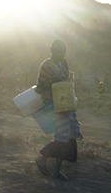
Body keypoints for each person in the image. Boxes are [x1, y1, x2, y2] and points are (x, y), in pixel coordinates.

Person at [34, 39, 82, 181]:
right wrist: (52, 81)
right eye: (60, 50)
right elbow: (39, 89)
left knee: (68, 136)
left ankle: (55, 170)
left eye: (64, 50)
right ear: (53, 50)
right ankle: (42, 158)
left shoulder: (63, 64)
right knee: (62, 136)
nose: (63, 53)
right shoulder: (46, 66)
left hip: (65, 103)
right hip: (52, 104)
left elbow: (66, 81)